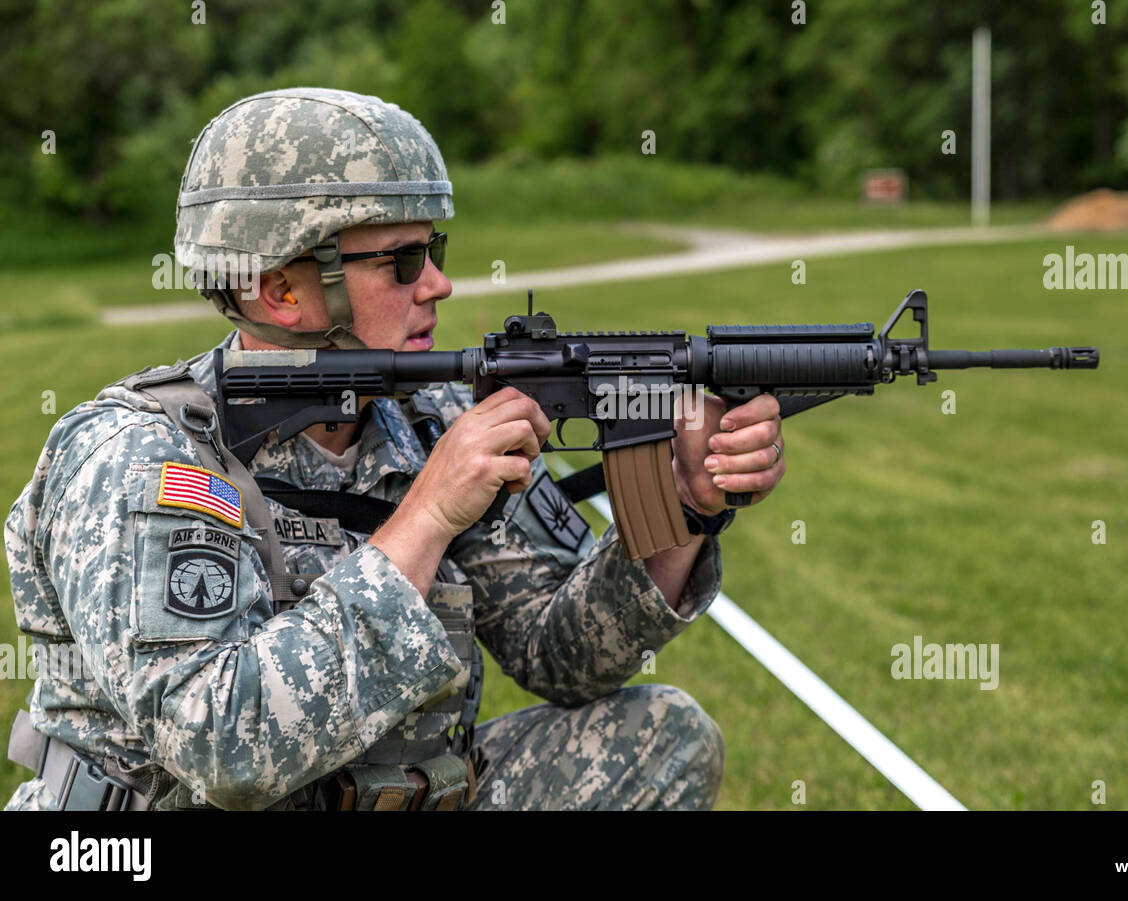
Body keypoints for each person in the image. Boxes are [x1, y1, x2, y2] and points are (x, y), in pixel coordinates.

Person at [3, 88, 787, 811]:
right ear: (281, 289)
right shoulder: (140, 455)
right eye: (404, 261)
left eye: (435, 248)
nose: (440, 283)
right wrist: (428, 514)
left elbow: (564, 655)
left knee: (659, 737)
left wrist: (682, 505)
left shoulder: (427, 419)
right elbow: (219, 748)